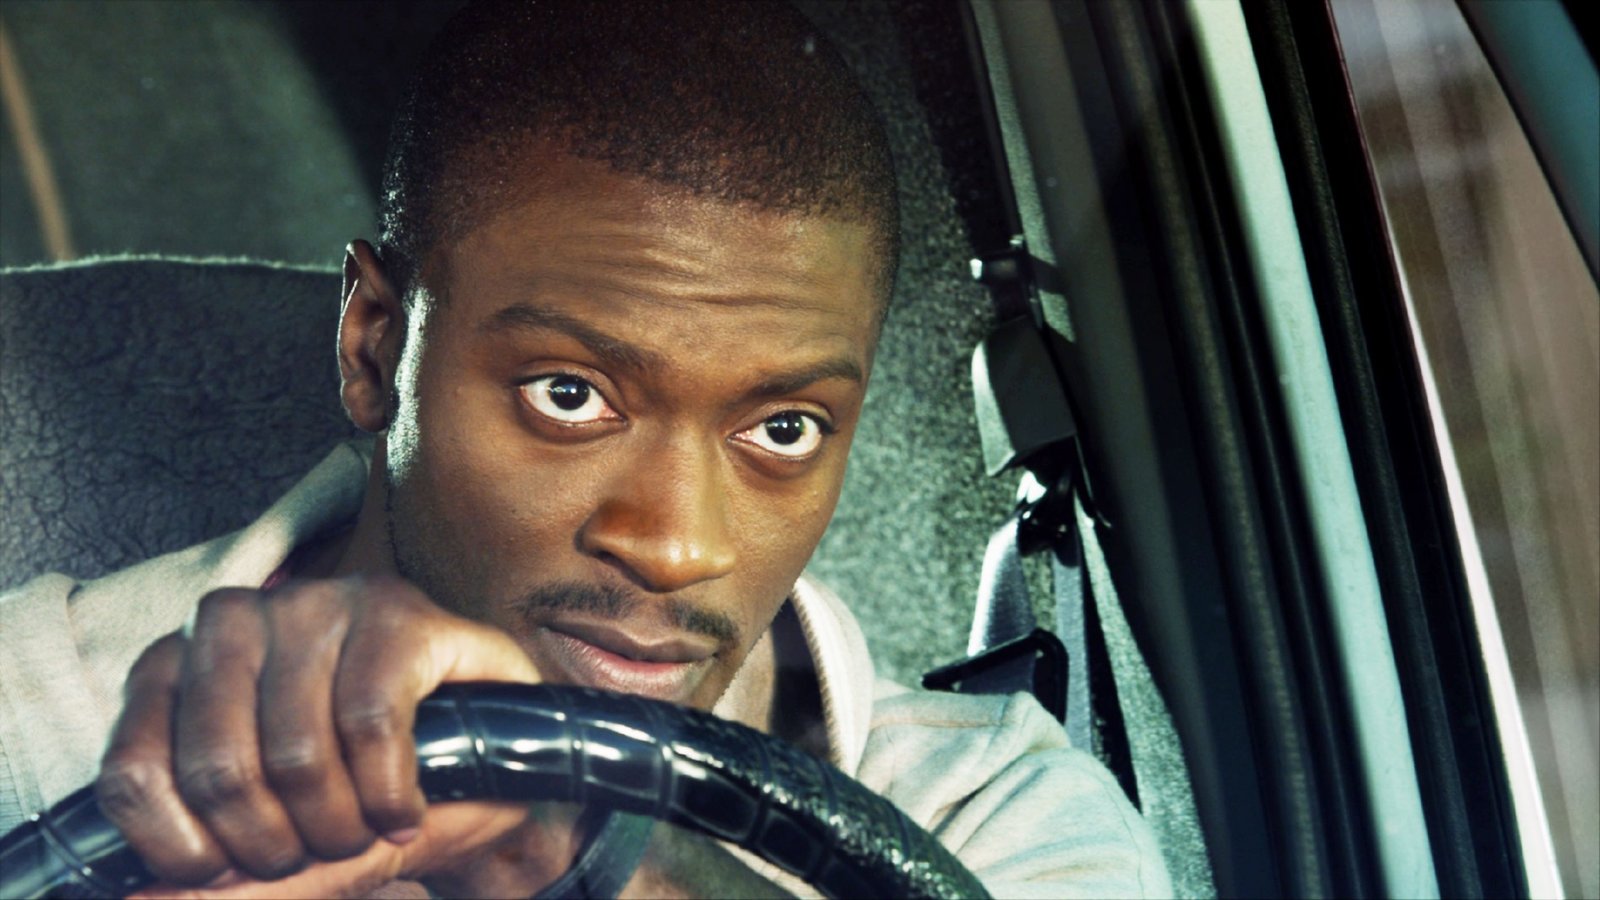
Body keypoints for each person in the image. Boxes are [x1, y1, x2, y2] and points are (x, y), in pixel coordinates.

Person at [0, 1, 1171, 896]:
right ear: (375, 345)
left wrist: (580, 841)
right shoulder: (28, 728)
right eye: (569, 396)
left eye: (782, 429)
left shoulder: (993, 817)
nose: (676, 546)